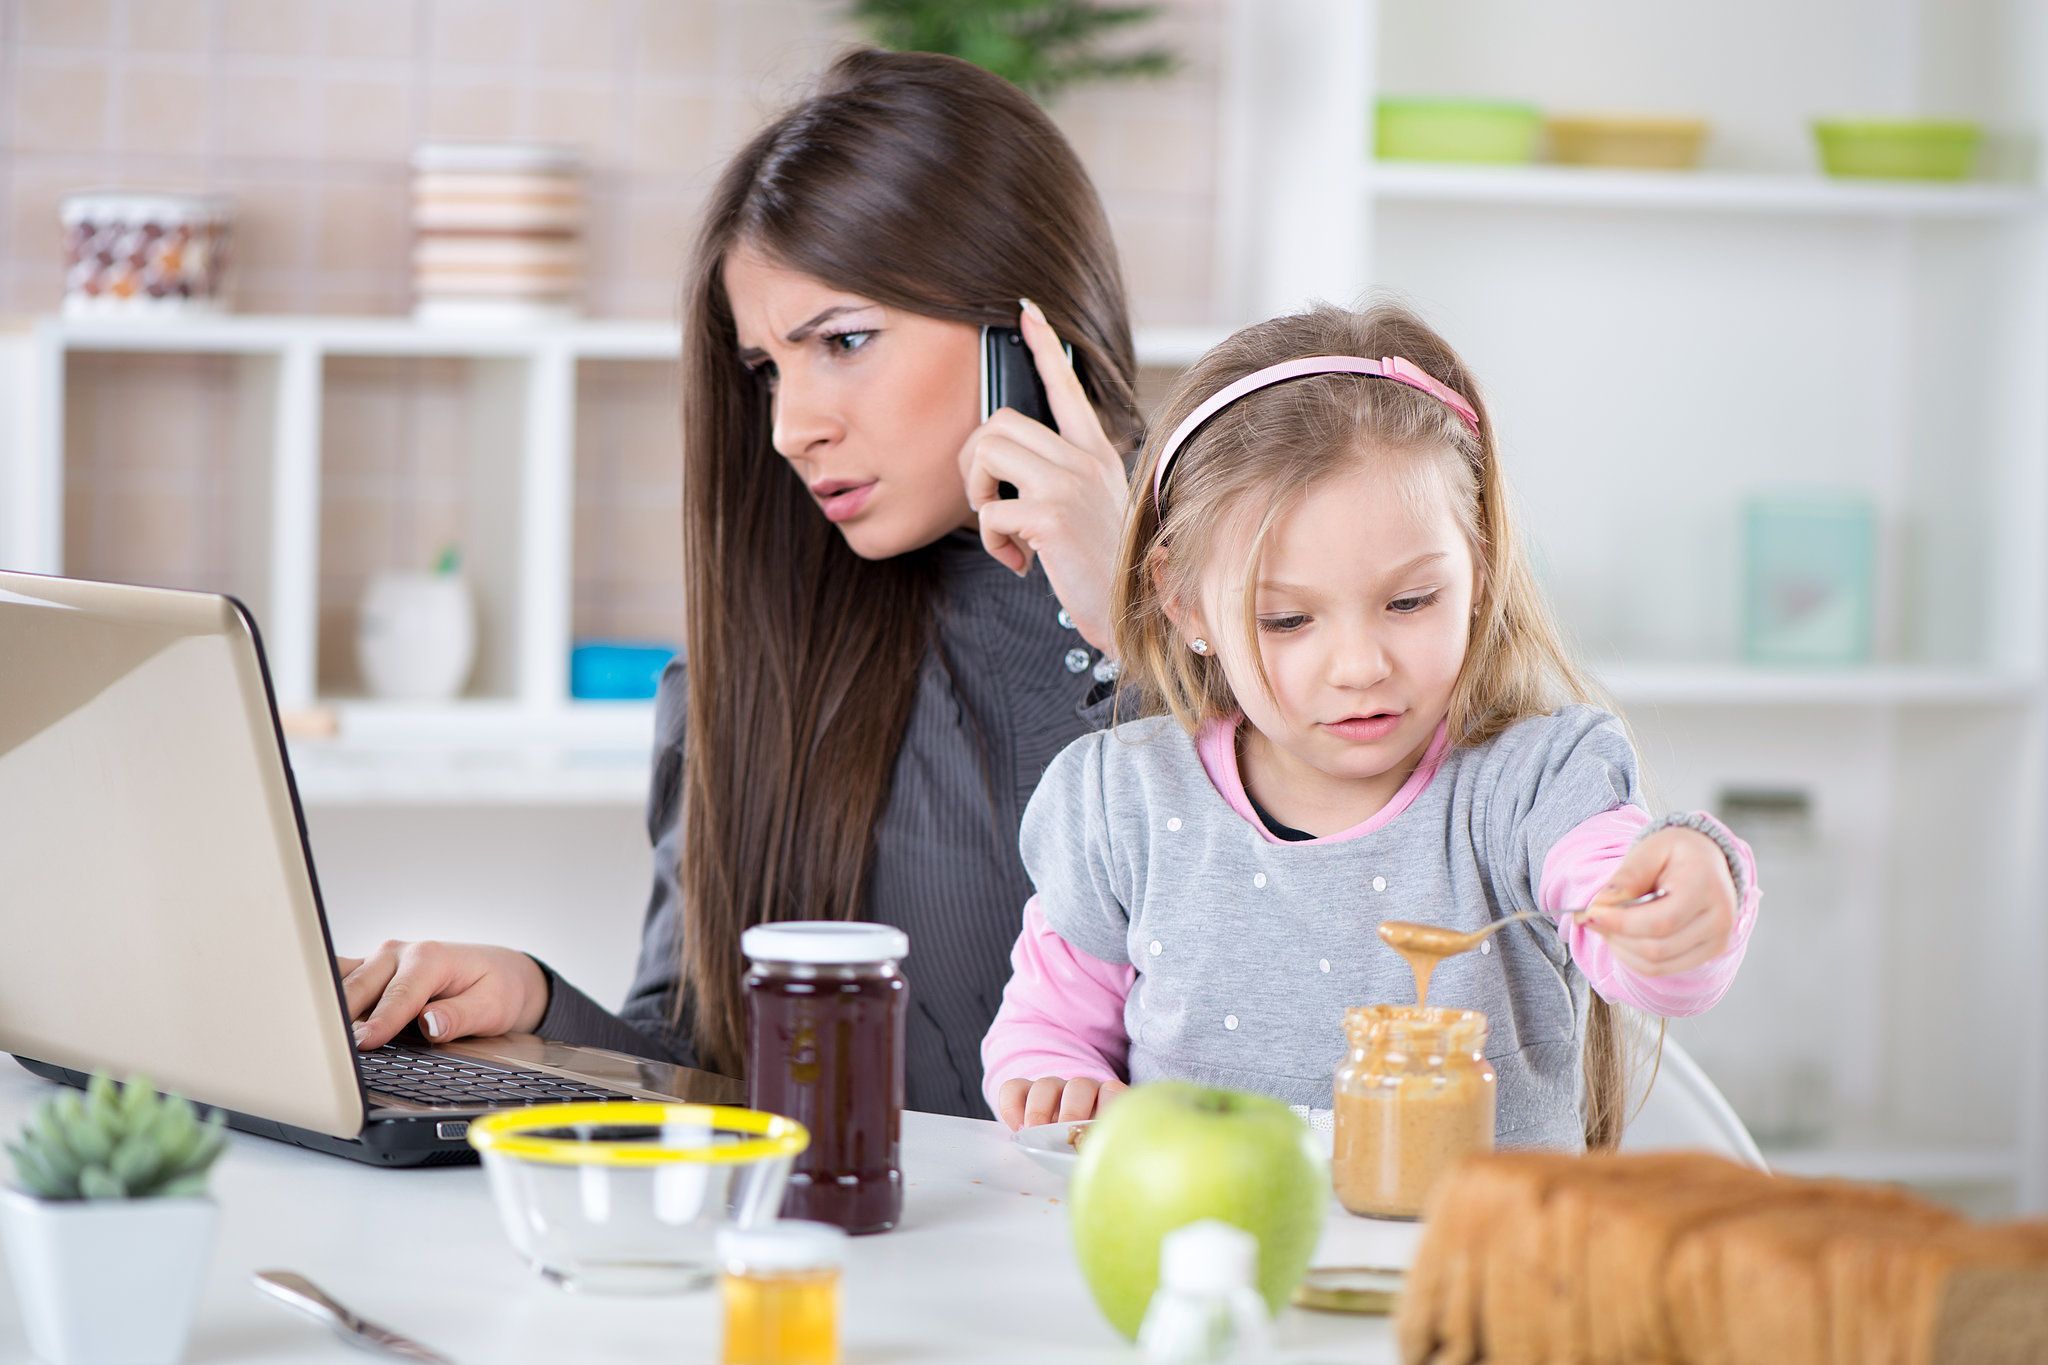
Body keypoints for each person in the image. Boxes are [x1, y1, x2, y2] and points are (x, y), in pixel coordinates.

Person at [339, 48, 1145, 1118]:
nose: (789, 427)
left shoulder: (1269, 642)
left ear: (1023, 334)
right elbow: (706, 1067)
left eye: (845, 340)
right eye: (768, 367)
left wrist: (1132, 620)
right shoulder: (756, 674)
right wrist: (534, 1004)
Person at [981, 301, 1762, 1148]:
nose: (1359, 665)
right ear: (1181, 599)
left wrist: (1677, 902)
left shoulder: (1534, 784)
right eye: (1287, 619)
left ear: (1481, 566)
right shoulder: (1124, 801)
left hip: (1473, 1272)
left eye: (1410, 601)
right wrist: (1057, 1082)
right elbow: (1049, 1029)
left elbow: (1630, 927)